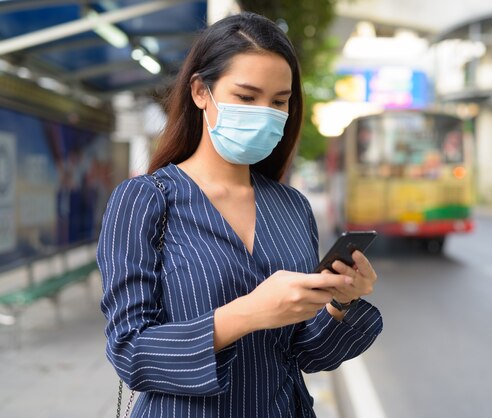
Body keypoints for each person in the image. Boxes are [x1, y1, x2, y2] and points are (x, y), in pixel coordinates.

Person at [97, 12, 383, 418]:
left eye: (279, 101)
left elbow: (303, 352)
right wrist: (248, 313)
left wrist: (340, 302)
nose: (265, 113)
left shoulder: (292, 207)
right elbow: (129, 352)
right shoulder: (144, 200)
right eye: (247, 98)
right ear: (200, 91)